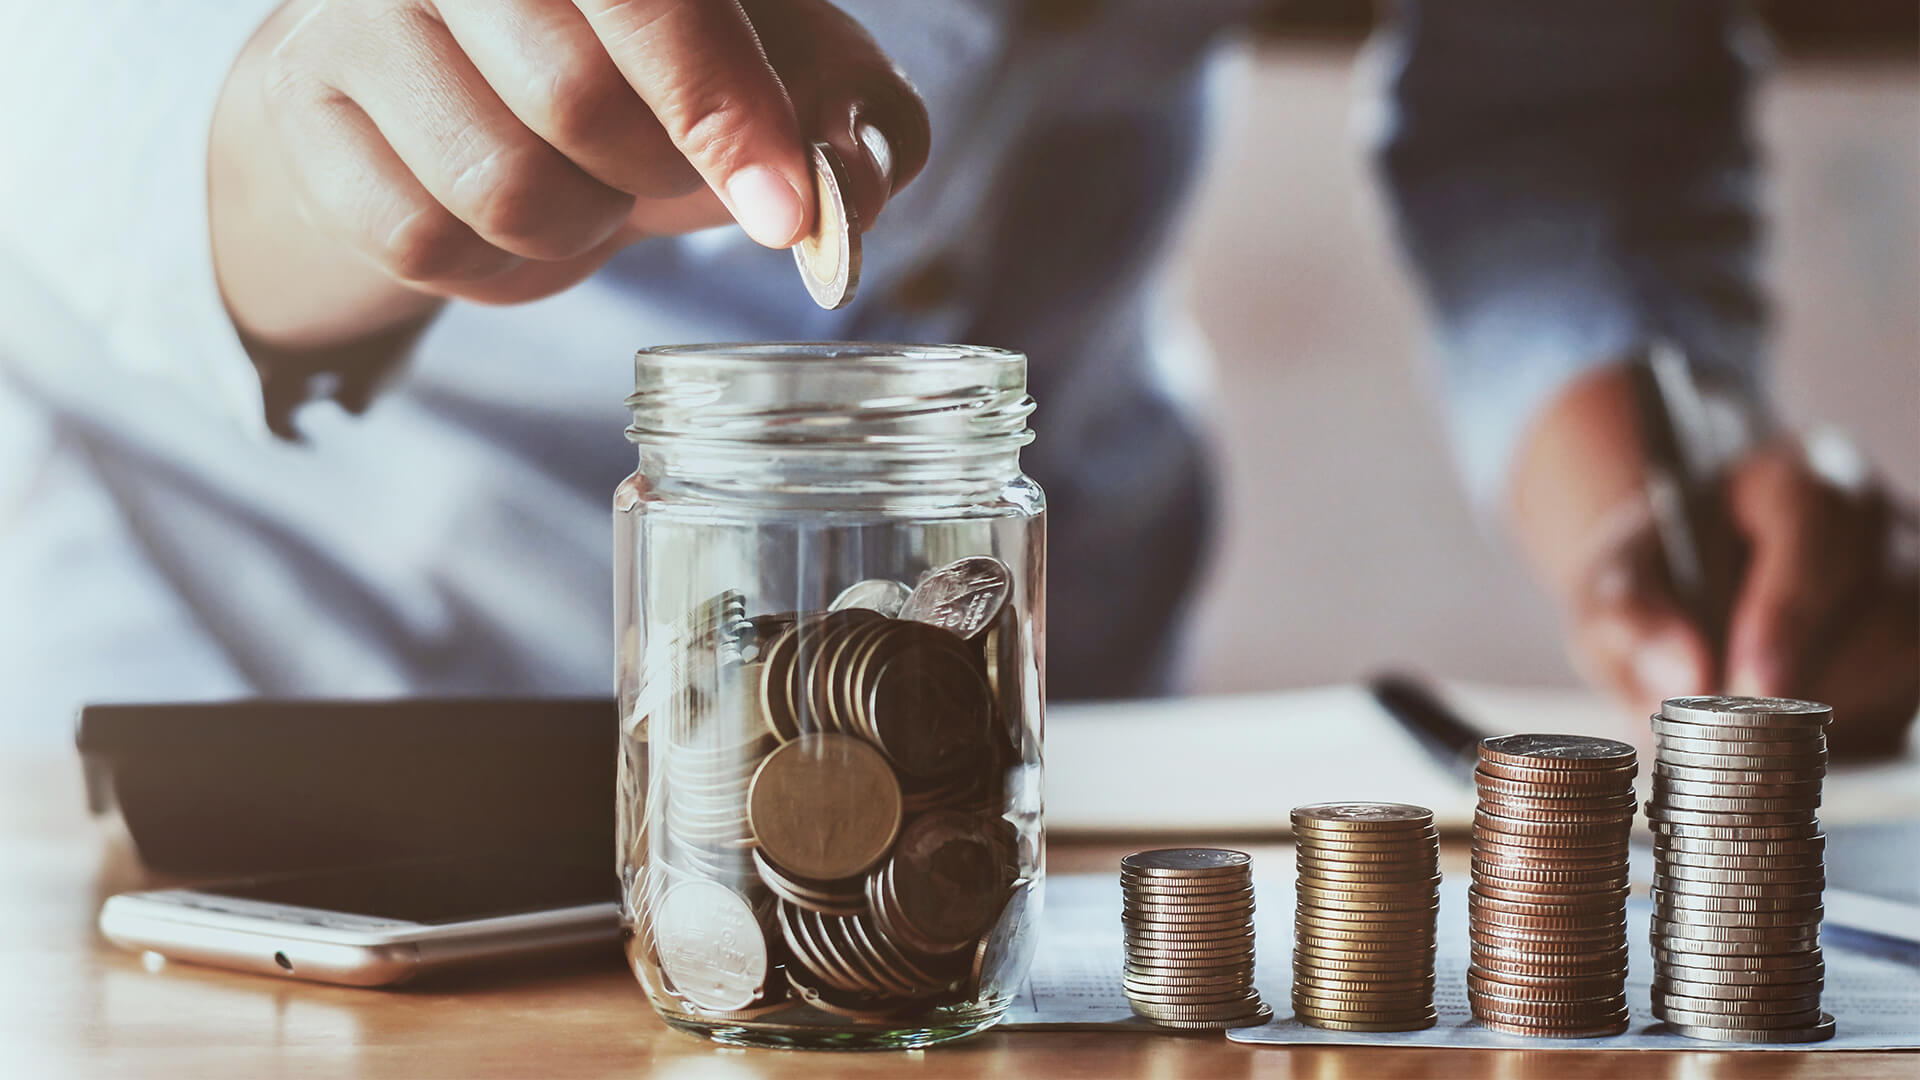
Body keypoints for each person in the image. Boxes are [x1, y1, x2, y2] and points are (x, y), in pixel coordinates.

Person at [0, 0, 1912, 750]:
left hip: (986, 736)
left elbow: (1561, 92)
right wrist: (298, 128)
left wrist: (1643, 482)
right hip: (259, 644)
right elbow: (84, 88)